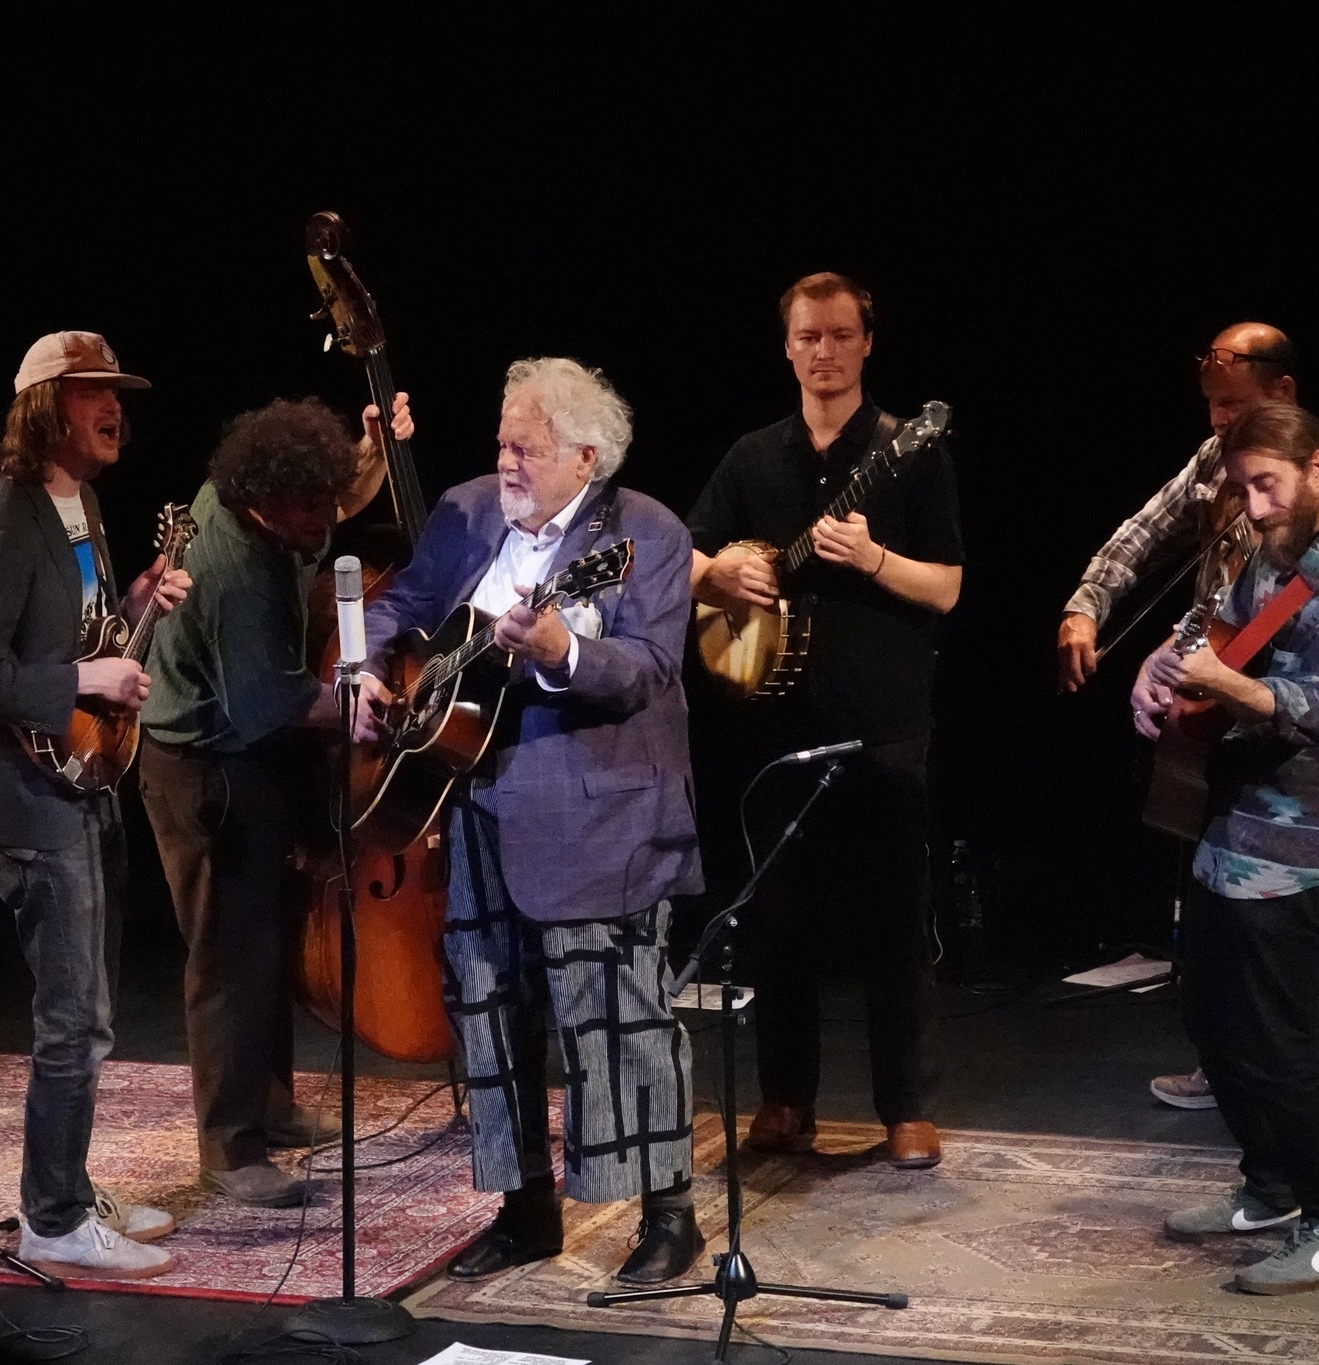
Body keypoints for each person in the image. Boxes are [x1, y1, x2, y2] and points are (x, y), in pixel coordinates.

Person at [354, 357, 705, 1285]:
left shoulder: (647, 533)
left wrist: (561, 650)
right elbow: (401, 604)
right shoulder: (467, 511)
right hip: (475, 803)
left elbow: (649, 669)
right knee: (487, 1007)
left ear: (586, 456)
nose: (506, 462)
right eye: (503, 443)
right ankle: (524, 1209)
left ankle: (669, 1215)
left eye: (527, 449)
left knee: (617, 1014)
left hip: (601, 813)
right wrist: (366, 668)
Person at [1133, 402, 1319, 1295]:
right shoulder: (1273, 552)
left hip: (1313, 837)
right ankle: (1270, 1188)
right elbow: (1217, 630)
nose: (1254, 507)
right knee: (1217, 1024)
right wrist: (1162, 665)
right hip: (1236, 824)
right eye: (1243, 488)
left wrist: (1220, 681)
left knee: (1287, 1047)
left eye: (1268, 485)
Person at [687, 272, 962, 1169]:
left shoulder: (909, 450)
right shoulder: (752, 456)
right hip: (775, 727)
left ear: (867, 342)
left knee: (894, 920)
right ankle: (786, 1098)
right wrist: (716, 575)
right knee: (779, 918)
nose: (825, 352)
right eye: (809, 336)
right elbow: (682, 555)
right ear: (787, 346)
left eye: (841, 335)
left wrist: (876, 558)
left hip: (882, 721)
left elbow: (947, 587)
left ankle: (907, 1108)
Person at [0, 331, 191, 1280]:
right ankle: (51, 1218)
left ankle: (69, 1185)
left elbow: (75, 632)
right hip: (27, 800)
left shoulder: (80, 504)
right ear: (47, 408)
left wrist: (136, 599)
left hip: (80, 779)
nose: (114, 407)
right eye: (93, 393)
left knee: (93, 1015)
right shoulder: (4, 519)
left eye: (117, 392)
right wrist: (86, 676)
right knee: (71, 1020)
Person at [136, 391, 415, 1208]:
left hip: (242, 752)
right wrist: (357, 703)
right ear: (262, 500)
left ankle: (271, 1104)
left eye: (326, 500)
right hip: (198, 764)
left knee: (267, 937)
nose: (324, 522)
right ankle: (230, 1148)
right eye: (309, 508)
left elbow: (332, 501)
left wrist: (368, 455)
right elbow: (270, 703)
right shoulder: (233, 570)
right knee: (228, 955)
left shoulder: (267, 503)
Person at [1056, 321, 1298, 1112]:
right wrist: (1087, 607)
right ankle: (1224, 1062)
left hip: (1277, 715)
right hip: (1212, 704)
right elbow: (1140, 537)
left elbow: (1264, 600)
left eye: (1235, 405)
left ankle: (1303, 1088)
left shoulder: (1297, 473)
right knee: (1208, 901)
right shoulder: (1211, 460)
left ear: (1282, 392)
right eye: (1212, 405)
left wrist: (1172, 650)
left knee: (1274, 923)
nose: (1220, 421)